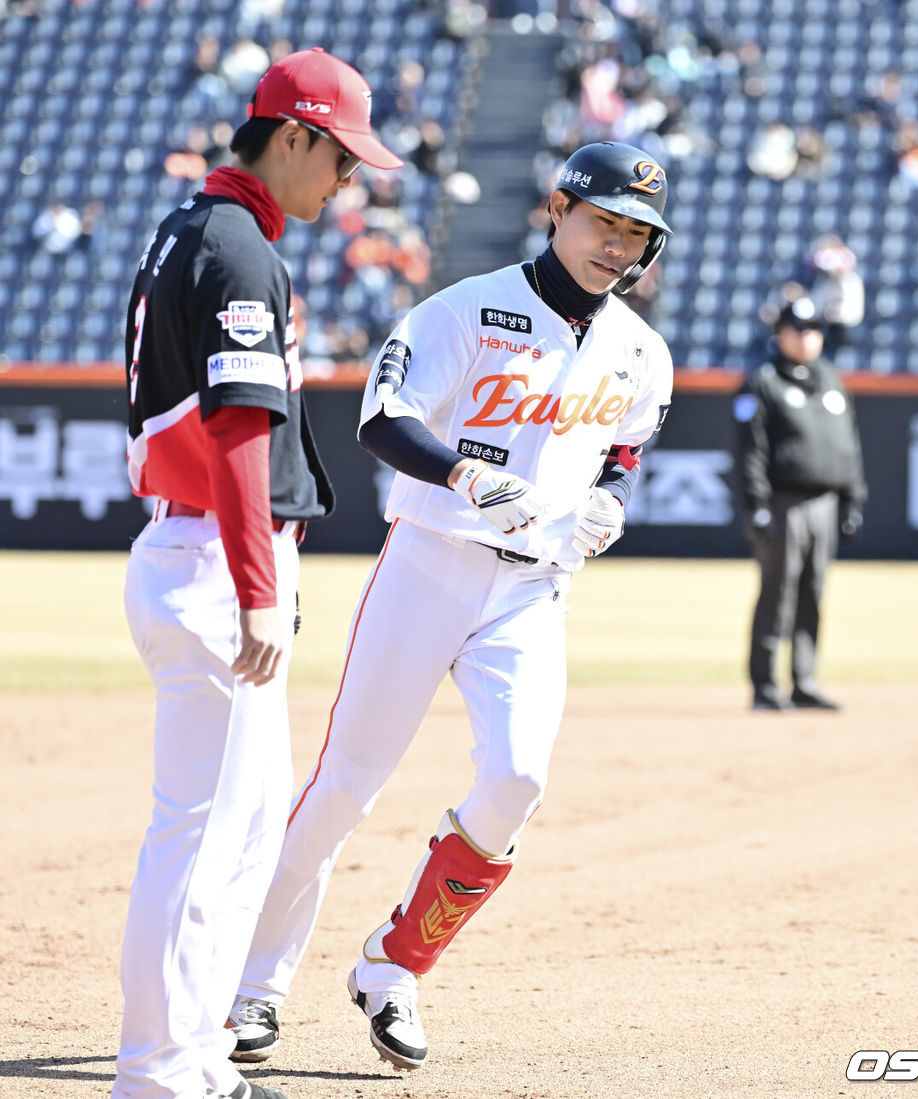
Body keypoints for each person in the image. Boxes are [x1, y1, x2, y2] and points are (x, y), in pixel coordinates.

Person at [225, 140, 674, 1072]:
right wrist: (467, 472)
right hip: (430, 561)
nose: (616, 246)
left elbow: (624, 452)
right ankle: (251, 988)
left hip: (533, 587)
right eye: (603, 222)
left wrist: (610, 504)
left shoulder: (641, 350)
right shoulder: (466, 308)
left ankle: (393, 964)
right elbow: (383, 418)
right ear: (558, 208)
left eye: (636, 234)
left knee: (517, 780)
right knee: (346, 782)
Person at [115, 47, 401, 1099]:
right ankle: (158, 1074)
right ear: (292, 137)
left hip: (196, 549)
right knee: (200, 845)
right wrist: (256, 587)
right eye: (339, 158)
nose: (347, 181)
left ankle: (193, 1063)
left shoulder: (199, 229)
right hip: (211, 559)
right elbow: (238, 433)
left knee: (234, 838)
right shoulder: (237, 249)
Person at [732, 296, 867, 712]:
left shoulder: (830, 379)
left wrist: (852, 498)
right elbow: (749, 452)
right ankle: (765, 684)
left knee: (812, 592)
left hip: (825, 501)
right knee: (778, 592)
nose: (809, 337)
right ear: (781, 333)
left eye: (815, 330)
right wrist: (756, 503)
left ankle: (805, 680)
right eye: (800, 329)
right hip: (783, 501)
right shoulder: (764, 381)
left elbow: (848, 446)